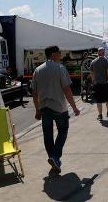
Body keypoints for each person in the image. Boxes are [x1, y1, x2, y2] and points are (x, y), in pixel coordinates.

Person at [32, 46, 81, 174]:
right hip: (59, 107)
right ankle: (55, 157)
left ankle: (52, 158)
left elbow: (34, 93)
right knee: (63, 130)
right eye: (59, 53)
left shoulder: (38, 70)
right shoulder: (60, 68)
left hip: (44, 108)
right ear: (53, 54)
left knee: (47, 135)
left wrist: (37, 110)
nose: (60, 55)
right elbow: (67, 90)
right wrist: (74, 107)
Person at [90, 47, 108, 121]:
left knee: (99, 100)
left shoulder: (93, 62)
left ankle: (100, 115)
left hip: (97, 84)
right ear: (103, 53)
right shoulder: (106, 61)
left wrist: (93, 81)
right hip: (105, 83)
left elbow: (91, 73)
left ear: (97, 53)